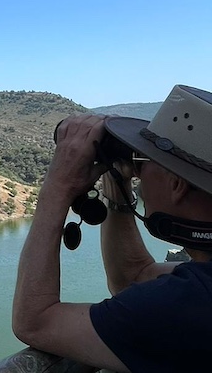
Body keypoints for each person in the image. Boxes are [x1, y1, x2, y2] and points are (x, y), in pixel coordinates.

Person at [12, 85, 212, 372]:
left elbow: (36, 322)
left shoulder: (188, 303)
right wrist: (117, 187)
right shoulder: (195, 288)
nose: (139, 172)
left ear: (176, 184)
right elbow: (134, 277)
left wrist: (57, 188)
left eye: (144, 162)